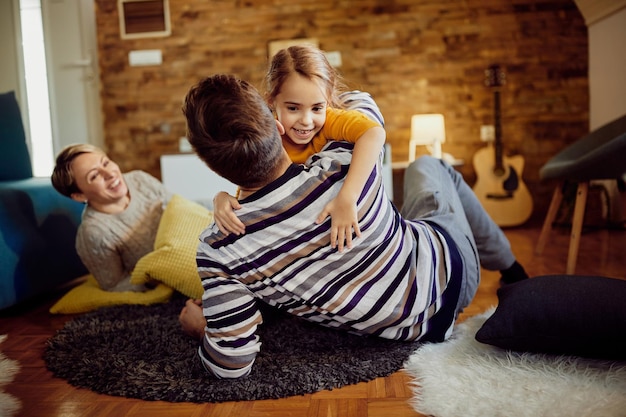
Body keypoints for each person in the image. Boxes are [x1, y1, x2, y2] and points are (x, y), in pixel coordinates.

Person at [178, 74, 528, 379]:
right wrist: (304, 112)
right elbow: (361, 102)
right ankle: (511, 268)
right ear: (278, 124)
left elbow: (231, 366)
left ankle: (510, 268)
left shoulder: (218, 247)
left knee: (416, 196)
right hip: (452, 274)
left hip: (403, 331)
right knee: (429, 166)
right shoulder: (345, 157)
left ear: (210, 165)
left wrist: (202, 327)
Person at [212, 45, 386, 252]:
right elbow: (251, 186)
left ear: (328, 101)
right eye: (293, 108)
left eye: (317, 108)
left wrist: (347, 198)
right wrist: (221, 197)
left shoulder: (330, 119)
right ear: (271, 101)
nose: (306, 120)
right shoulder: (268, 138)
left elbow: (374, 133)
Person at [51, 144, 172, 292]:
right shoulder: (94, 232)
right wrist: (161, 280)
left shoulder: (139, 180)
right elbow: (115, 284)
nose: (109, 174)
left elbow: (179, 209)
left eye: (106, 163)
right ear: (80, 196)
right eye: (94, 176)